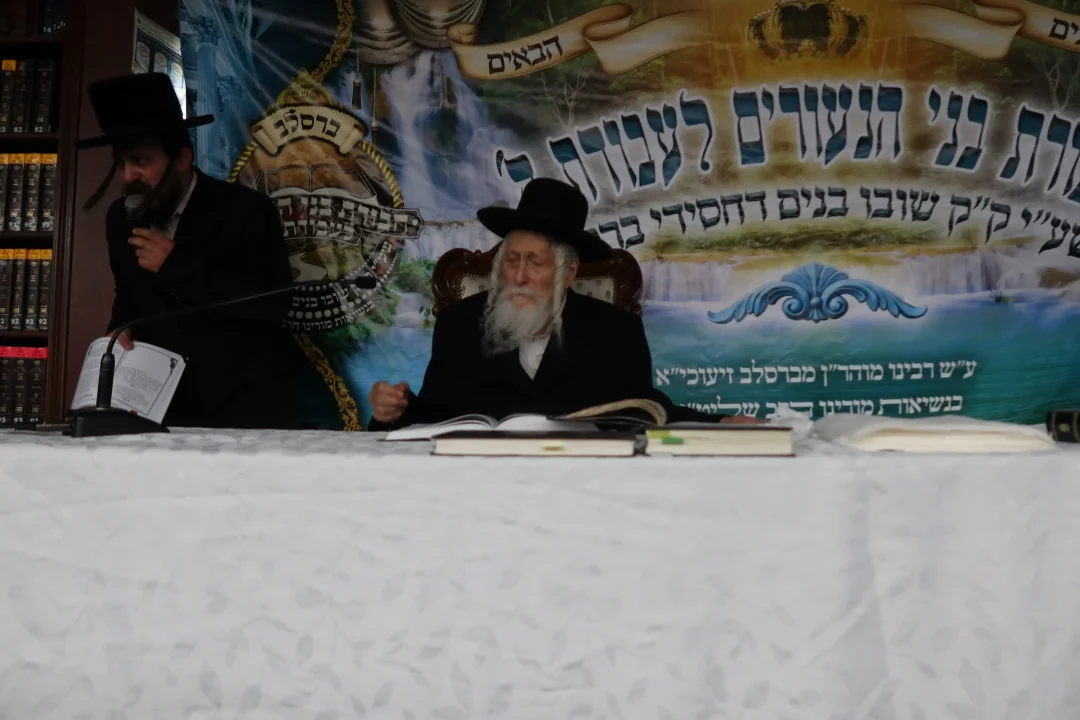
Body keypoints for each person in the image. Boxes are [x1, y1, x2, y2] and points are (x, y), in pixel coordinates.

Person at [368, 177, 762, 429]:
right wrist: (393, 409)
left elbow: (645, 409)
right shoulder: (459, 323)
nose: (519, 276)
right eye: (511, 260)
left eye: (535, 263)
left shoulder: (615, 331)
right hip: (480, 491)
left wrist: (719, 423)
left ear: (568, 273)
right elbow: (432, 416)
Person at [75, 73, 301, 429]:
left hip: (243, 411)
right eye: (121, 163)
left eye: (140, 161)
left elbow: (273, 304)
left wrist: (176, 265)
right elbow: (129, 298)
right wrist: (119, 332)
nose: (128, 176)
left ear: (182, 158)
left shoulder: (247, 211)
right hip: (160, 412)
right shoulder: (120, 218)